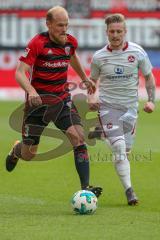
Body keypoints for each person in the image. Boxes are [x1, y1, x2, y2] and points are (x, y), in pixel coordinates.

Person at [5, 6, 102, 198]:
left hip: (62, 100)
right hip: (37, 104)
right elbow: (19, 72)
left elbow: (71, 55)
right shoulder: (37, 43)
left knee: (78, 137)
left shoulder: (70, 42)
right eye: (60, 25)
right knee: (29, 154)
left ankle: (86, 188)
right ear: (48, 24)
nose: (64, 29)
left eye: (66, 24)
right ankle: (17, 150)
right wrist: (31, 91)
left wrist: (84, 77)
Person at [89, 13, 156, 205]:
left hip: (130, 110)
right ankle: (130, 191)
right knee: (118, 147)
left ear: (125, 31)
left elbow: (149, 77)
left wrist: (151, 100)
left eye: (119, 31)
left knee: (124, 152)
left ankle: (101, 133)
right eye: (112, 31)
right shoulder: (99, 57)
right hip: (108, 108)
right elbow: (92, 81)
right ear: (107, 32)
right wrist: (91, 96)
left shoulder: (137, 52)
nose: (115, 35)